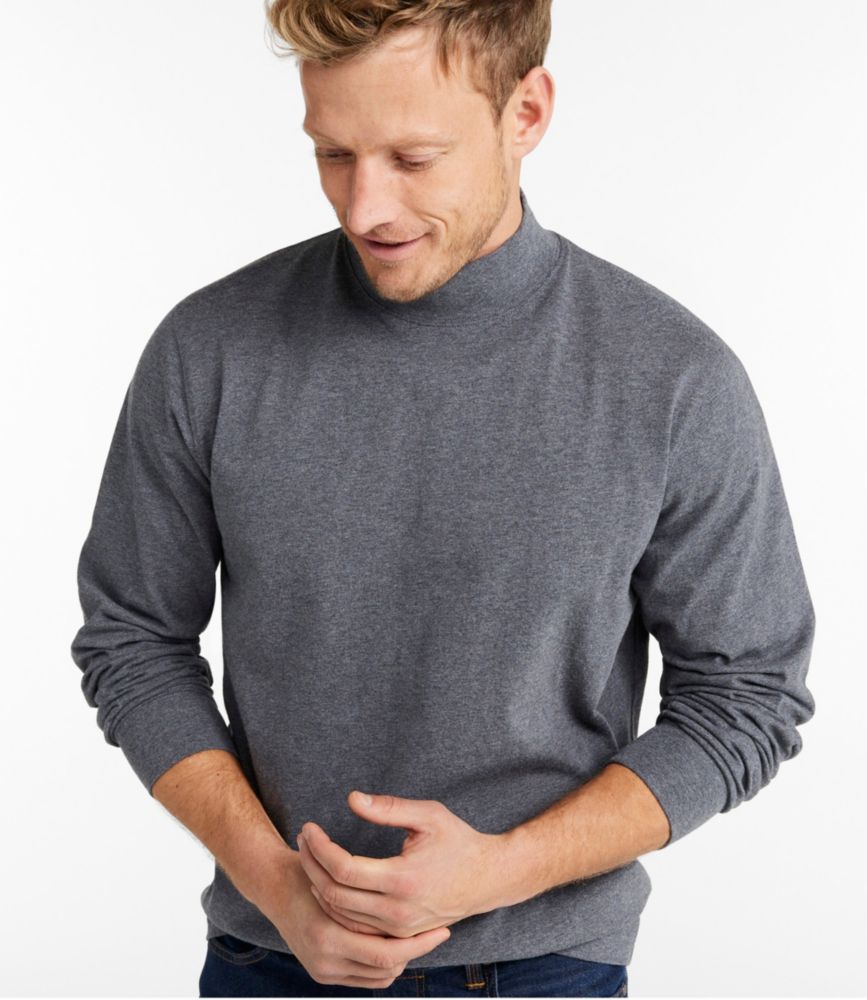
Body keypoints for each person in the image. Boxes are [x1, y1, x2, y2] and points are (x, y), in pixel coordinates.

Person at [69, 1, 817, 996]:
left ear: (526, 112)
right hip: (265, 957)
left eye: (414, 159)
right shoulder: (209, 349)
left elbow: (746, 694)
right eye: (333, 154)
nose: (365, 208)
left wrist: (502, 869)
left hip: (543, 969)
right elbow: (132, 641)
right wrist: (277, 883)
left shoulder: (672, 377)